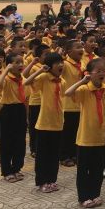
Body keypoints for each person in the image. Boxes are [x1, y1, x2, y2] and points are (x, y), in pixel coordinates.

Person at [65, 58, 105, 208]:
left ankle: (95, 194)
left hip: (100, 137)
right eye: (98, 71)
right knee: (83, 170)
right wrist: (82, 81)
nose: (102, 73)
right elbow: (68, 93)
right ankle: (83, 197)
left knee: (97, 169)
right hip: (85, 138)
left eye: (104, 71)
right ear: (89, 73)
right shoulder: (84, 89)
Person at [24, 51, 65, 193]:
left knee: (54, 155)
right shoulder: (44, 78)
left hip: (58, 123)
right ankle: (42, 182)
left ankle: (52, 180)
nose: (61, 65)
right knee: (43, 156)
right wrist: (40, 70)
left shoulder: (62, 81)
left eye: (61, 62)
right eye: (57, 63)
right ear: (49, 66)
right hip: (44, 124)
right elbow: (26, 81)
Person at [0, 53, 27, 183]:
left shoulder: (21, 78)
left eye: (21, 62)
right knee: (7, 141)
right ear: (9, 65)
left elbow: (25, 97)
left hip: (20, 109)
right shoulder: (7, 78)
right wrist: (6, 69)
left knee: (20, 141)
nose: (20, 65)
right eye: (16, 62)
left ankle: (16, 168)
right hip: (8, 111)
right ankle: (7, 170)